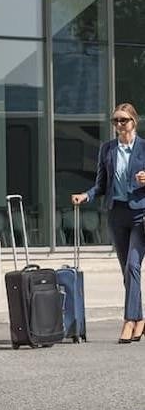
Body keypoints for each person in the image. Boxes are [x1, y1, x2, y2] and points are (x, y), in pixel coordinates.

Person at [71, 103, 145, 344]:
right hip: (116, 214)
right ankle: (140, 319)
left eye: (123, 120)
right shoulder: (107, 149)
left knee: (133, 265)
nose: (119, 125)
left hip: (140, 214)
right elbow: (101, 185)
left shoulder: (144, 148)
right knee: (126, 270)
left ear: (134, 121)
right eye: (115, 121)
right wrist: (86, 195)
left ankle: (129, 321)